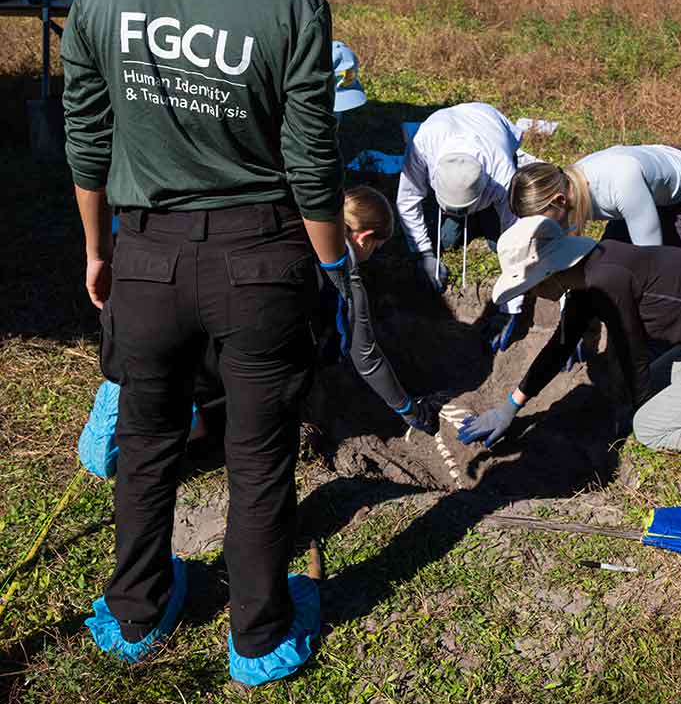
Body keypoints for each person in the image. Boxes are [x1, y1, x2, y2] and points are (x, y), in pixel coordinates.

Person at [61, 0, 349, 686]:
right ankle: (260, 637)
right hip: (260, 262)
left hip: (143, 252)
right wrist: (335, 268)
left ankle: (138, 611)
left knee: (145, 445)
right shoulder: (293, 2)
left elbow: (86, 132)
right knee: (257, 459)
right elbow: (311, 163)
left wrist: (97, 247)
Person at [79, 39, 369, 479]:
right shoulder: (257, 129)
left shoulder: (235, 102)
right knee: (234, 364)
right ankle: (166, 414)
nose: (334, 121)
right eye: (330, 109)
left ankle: (149, 397)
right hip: (203, 251)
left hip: (156, 249)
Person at [457, 215, 681, 458]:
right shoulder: (596, 267)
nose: (533, 295)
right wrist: (510, 406)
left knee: (652, 427)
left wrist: (634, 415)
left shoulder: (608, 282)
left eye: (530, 288)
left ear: (550, 277)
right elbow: (562, 344)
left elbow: (632, 354)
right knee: (660, 379)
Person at [396, 102, 528, 351]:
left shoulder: (502, 172)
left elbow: (519, 237)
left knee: (498, 243)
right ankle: (460, 217)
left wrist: (509, 309)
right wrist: (424, 253)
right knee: (445, 240)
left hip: (489, 123)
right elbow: (407, 200)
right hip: (445, 126)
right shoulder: (423, 145)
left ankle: (483, 216)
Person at [327, 185, 439, 434]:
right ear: (364, 237)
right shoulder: (348, 277)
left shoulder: (309, 229)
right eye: (376, 246)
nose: (374, 253)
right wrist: (409, 409)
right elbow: (366, 357)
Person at [508, 144, 681, 254]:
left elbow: (653, 260)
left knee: (675, 278)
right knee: (611, 260)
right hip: (651, 193)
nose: (537, 226)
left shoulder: (620, 184)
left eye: (538, 219)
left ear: (559, 200)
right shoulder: (570, 183)